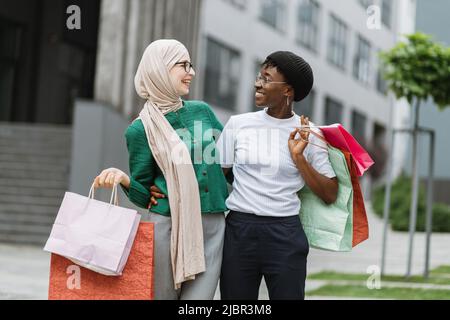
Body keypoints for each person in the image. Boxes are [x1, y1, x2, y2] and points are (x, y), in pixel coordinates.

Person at [94, 39, 228, 300]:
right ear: (160, 69)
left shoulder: (202, 112)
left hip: (212, 223)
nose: (191, 72)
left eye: (191, 65)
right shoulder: (140, 129)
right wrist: (125, 180)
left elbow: (227, 163)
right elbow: (144, 193)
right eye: (183, 65)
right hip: (167, 224)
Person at [217, 51, 339, 300]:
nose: (257, 83)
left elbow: (330, 193)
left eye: (267, 78)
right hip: (239, 231)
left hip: (284, 233)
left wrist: (299, 158)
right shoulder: (238, 124)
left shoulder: (310, 134)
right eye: (258, 76)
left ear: (287, 91)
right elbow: (216, 177)